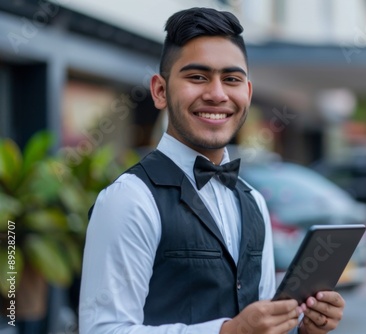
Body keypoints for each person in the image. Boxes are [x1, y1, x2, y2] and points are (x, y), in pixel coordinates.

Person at [79, 7, 345, 334]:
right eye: (197, 77)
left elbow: (260, 323)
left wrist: (303, 328)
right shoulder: (128, 200)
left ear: (247, 93)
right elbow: (103, 330)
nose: (217, 94)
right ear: (160, 91)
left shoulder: (254, 203)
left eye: (231, 79)